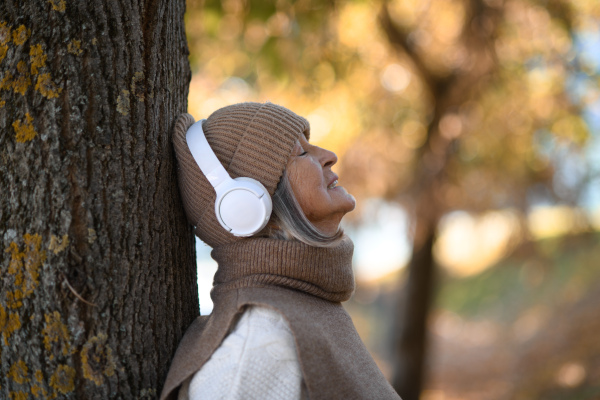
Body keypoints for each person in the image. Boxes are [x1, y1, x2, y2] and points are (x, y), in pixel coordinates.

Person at [160, 102, 401, 400]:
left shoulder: (304, 303)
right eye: (301, 153)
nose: (329, 156)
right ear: (247, 206)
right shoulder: (255, 348)